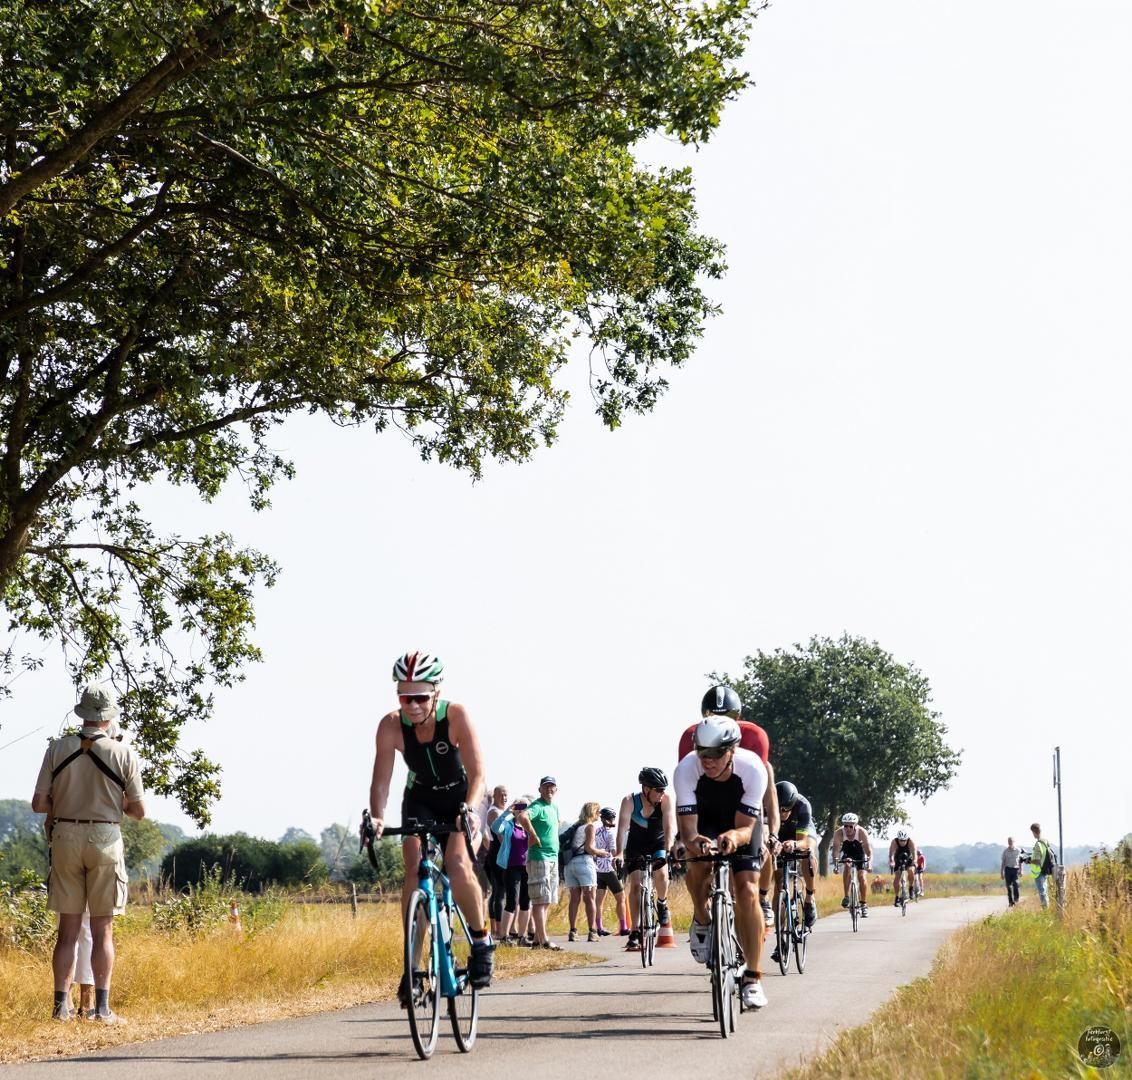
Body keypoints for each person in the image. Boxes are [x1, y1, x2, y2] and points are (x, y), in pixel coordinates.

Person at [368, 651, 494, 1004]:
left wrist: (470, 810)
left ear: (436, 692)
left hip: (461, 796)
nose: (412, 705)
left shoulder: (456, 716)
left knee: (457, 863)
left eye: (420, 697)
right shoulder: (390, 725)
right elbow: (381, 781)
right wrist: (377, 817)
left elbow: (478, 774)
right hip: (420, 797)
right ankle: (412, 967)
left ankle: (482, 942)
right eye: (405, 697)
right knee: (414, 870)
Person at [32, 682, 145, 1023]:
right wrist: (114, 800)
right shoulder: (123, 753)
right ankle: (102, 1008)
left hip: (65, 835)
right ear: (109, 716)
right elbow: (138, 811)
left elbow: (39, 804)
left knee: (67, 932)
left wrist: (65, 801)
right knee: (102, 930)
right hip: (105, 837)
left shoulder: (57, 748)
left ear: (82, 713)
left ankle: (60, 1008)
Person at [675, 716, 769, 1011]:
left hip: (741, 825)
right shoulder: (686, 769)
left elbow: (747, 828)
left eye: (715, 754)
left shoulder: (753, 769)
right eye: (702, 753)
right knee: (698, 865)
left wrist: (734, 837)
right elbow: (688, 831)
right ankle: (702, 918)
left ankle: (752, 978)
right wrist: (696, 842)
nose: (708, 760)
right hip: (705, 820)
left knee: (747, 891)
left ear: (732, 750)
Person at [685, 686, 780, 928]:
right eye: (712, 715)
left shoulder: (754, 737)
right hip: (708, 807)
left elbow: (765, 794)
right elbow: (687, 793)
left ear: (738, 717)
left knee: (761, 850)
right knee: (696, 862)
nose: (720, 720)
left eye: (728, 716)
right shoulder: (691, 737)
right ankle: (701, 915)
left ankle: (762, 898)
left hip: (745, 806)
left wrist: (771, 832)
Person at [615, 767, 675, 952]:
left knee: (662, 874)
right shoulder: (629, 801)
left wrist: (669, 849)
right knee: (635, 885)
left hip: (658, 843)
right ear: (646, 789)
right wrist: (619, 852)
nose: (662, 793)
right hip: (636, 845)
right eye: (659, 789)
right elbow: (622, 828)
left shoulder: (665, 800)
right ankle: (635, 931)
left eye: (664, 789)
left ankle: (662, 903)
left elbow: (669, 826)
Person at [768, 779, 817, 965]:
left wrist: (795, 844)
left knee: (808, 854)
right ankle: (780, 938)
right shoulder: (768, 805)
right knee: (779, 885)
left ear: (793, 804)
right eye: (778, 808)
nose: (782, 813)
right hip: (779, 835)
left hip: (800, 835)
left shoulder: (803, 806)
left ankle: (810, 897)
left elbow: (804, 840)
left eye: (785, 809)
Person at [514, 776, 561, 949]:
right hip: (539, 857)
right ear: (540, 789)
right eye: (546, 786)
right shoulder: (537, 806)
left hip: (552, 857)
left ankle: (537, 940)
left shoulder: (554, 807)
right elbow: (523, 816)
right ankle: (544, 940)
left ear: (556, 789)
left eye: (552, 786)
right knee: (539, 900)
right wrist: (533, 834)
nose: (549, 789)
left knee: (546, 900)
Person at [491, 795, 533, 944]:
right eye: (518, 807)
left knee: (526, 902)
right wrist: (506, 812)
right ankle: (504, 936)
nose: (521, 811)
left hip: (527, 867)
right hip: (511, 867)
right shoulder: (509, 825)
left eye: (524, 808)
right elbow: (495, 828)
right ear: (514, 810)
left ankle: (522, 937)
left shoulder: (530, 826)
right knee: (511, 901)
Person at [563, 802, 605, 942]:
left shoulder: (576, 827)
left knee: (574, 899)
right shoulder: (590, 827)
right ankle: (592, 931)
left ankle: (573, 931)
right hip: (584, 863)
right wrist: (601, 852)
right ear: (593, 812)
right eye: (598, 811)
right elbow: (589, 848)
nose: (599, 814)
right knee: (590, 898)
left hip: (570, 864)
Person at [830, 813, 873, 916]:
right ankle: (846, 896)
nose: (848, 828)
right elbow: (835, 851)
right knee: (847, 865)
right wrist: (836, 865)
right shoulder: (839, 833)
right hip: (847, 853)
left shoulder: (861, 832)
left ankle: (863, 904)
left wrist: (869, 864)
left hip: (860, 853)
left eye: (850, 826)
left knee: (862, 877)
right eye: (845, 826)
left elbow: (868, 851)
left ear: (855, 825)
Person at [594, 807, 628, 936]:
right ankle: (623, 927)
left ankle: (599, 927)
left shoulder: (596, 831)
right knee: (621, 898)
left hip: (597, 869)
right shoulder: (610, 833)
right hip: (609, 868)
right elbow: (614, 853)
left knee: (599, 901)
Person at [485, 785, 509, 937]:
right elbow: (500, 836)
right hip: (497, 852)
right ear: (494, 796)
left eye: (506, 795)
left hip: (497, 852)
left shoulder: (501, 811)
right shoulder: (494, 812)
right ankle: (498, 929)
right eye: (501, 795)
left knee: (497, 891)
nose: (504, 798)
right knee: (500, 891)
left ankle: (495, 928)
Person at [1023, 822, 1055, 909]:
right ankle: (1046, 909)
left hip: (1039, 871)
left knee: (1042, 892)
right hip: (1044, 870)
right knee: (1045, 891)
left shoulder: (1038, 844)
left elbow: (1037, 861)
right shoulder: (1045, 841)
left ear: (1034, 832)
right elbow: (1042, 855)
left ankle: (1045, 911)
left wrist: (1028, 861)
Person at [888, 829, 918, 905]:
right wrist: (892, 862)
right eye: (901, 840)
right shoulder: (894, 842)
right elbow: (891, 854)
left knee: (911, 870)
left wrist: (915, 861)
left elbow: (914, 853)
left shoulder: (911, 842)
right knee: (897, 876)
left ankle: (911, 888)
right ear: (898, 839)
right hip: (898, 857)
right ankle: (897, 897)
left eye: (904, 840)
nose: (902, 842)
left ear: (907, 839)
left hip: (908, 857)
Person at [1001, 836, 1022, 907]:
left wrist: (1021, 870)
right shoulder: (1005, 851)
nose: (1010, 842)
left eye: (1011, 841)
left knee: (1016, 884)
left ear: (1014, 842)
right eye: (1009, 841)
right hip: (1008, 870)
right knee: (1009, 887)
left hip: (1015, 869)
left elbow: (1020, 861)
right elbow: (1003, 862)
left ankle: (1016, 899)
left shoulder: (1018, 850)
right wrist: (1002, 872)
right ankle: (1011, 902)